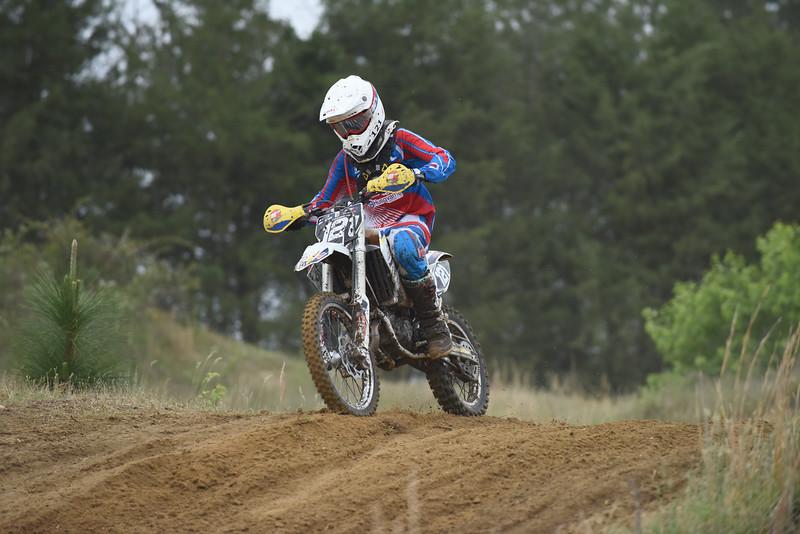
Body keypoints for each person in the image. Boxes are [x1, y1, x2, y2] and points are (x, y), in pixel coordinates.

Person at [310, 74, 456, 358]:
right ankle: (351, 319)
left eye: (353, 123)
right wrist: (298, 212)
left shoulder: (399, 140)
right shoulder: (344, 161)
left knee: (403, 244)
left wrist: (415, 173)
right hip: (368, 227)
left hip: (411, 218)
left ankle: (434, 325)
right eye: (340, 127)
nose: (349, 133)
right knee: (325, 257)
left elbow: (444, 159)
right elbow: (325, 199)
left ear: (372, 113)